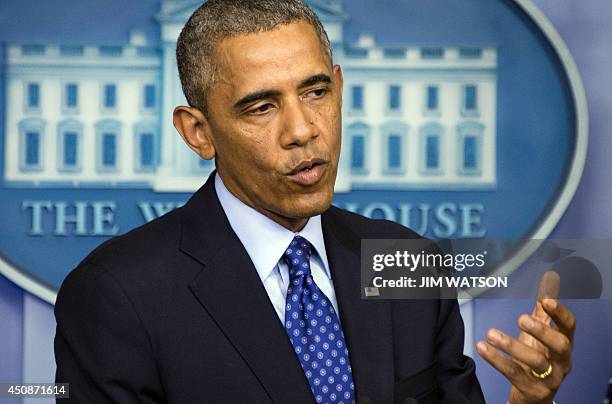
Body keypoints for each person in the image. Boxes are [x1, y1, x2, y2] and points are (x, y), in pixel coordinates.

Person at [54, 0, 575, 403]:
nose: (303, 130)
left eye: (316, 92)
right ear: (198, 132)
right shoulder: (115, 295)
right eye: (260, 107)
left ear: (340, 89)